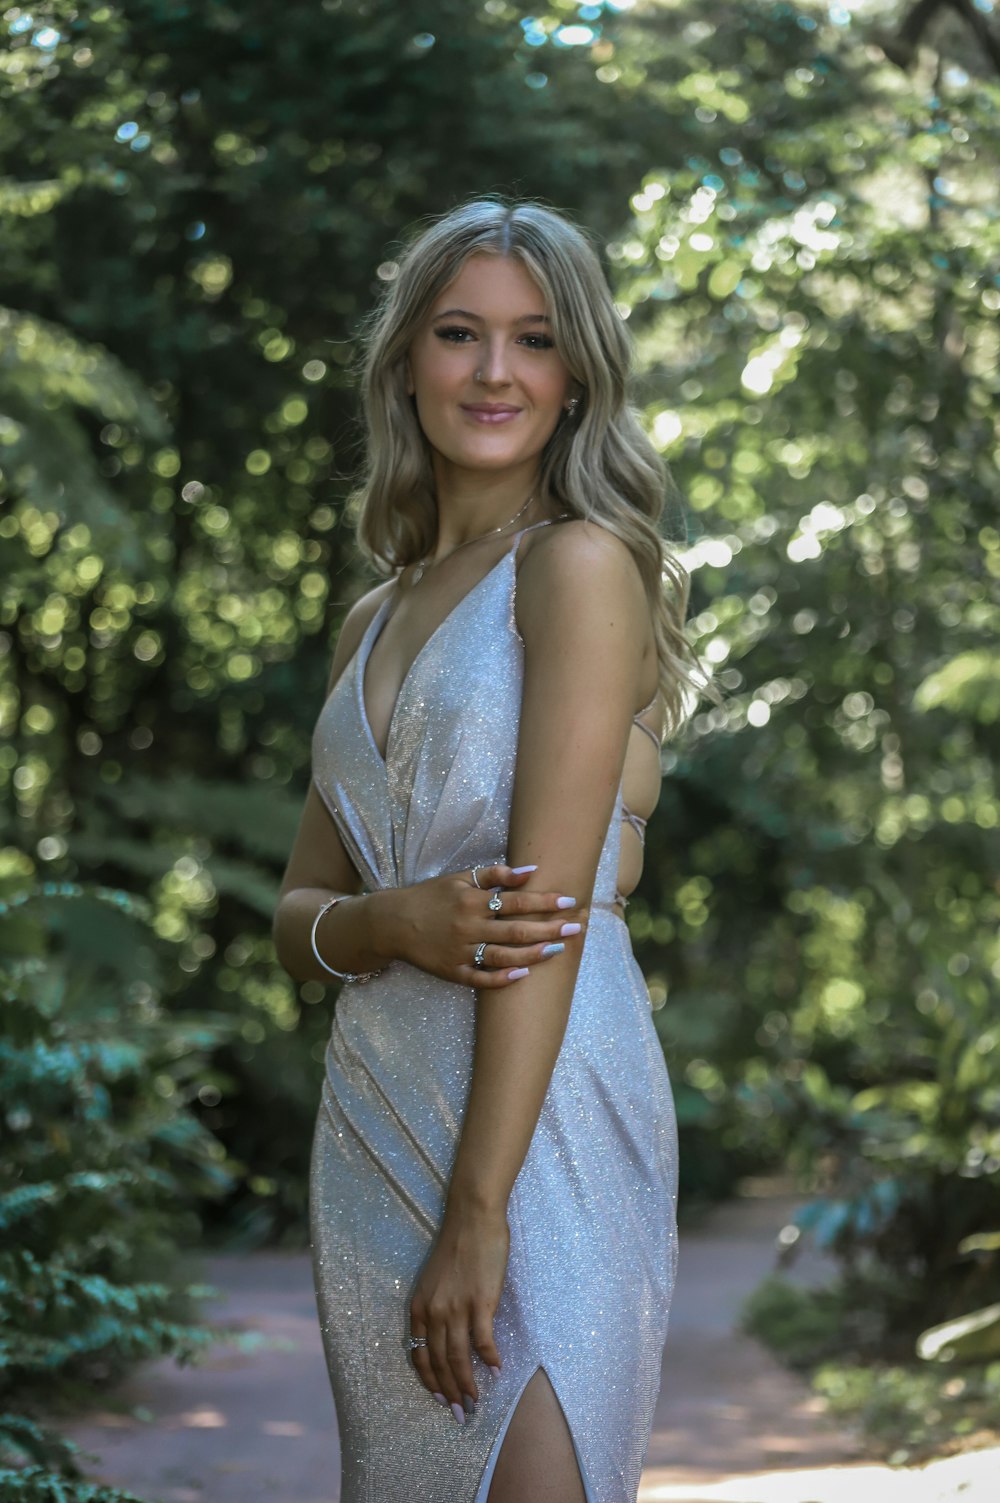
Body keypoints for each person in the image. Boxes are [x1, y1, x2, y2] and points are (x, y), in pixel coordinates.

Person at [273, 197, 704, 1503]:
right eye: (461, 334)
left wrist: (482, 1209)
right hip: (374, 1113)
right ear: (409, 358)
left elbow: (547, 911)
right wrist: (389, 925)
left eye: (533, 339)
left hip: (543, 1112)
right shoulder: (369, 617)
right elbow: (299, 916)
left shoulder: (577, 567)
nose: (495, 372)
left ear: (577, 376)